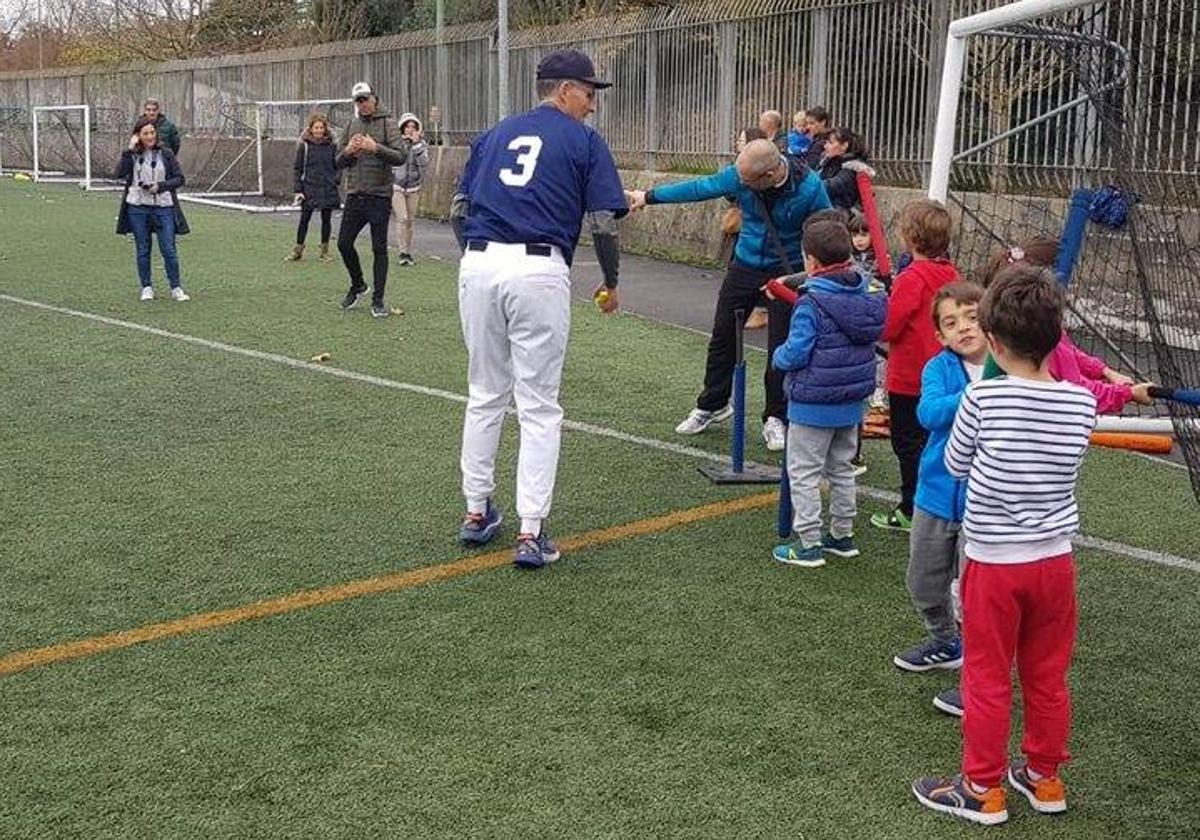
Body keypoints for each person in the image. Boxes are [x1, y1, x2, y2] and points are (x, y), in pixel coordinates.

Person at [912, 265, 1097, 826]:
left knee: (987, 677)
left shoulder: (982, 400)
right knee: (1047, 675)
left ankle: (981, 788)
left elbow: (954, 462)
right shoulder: (1081, 403)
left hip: (994, 563)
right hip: (1055, 562)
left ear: (993, 340)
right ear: (1054, 336)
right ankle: (1044, 778)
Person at [452, 49, 627, 569]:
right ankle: (531, 531)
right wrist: (612, 281)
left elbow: (460, 211)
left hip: (479, 262)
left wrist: (478, 262)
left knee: (484, 393)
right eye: (589, 94)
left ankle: (476, 512)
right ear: (565, 89)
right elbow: (602, 222)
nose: (592, 106)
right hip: (538, 267)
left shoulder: (495, 133)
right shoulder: (583, 140)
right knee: (538, 404)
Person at [626, 139, 832, 452]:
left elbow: (827, 229)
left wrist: (809, 275)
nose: (738, 186)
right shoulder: (741, 174)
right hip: (745, 264)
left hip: (786, 271)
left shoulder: (810, 188)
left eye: (746, 183)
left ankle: (776, 417)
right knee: (722, 335)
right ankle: (713, 404)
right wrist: (648, 197)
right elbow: (701, 187)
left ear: (769, 174)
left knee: (782, 345)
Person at [770, 218, 886, 566]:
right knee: (841, 468)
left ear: (810, 261)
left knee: (803, 472)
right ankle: (842, 534)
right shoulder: (869, 294)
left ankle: (808, 542)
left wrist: (779, 356)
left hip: (812, 402)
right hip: (851, 402)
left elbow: (797, 351)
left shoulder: (811, 303)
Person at [892, 282, 985, 678]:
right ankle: (945, 640)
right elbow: (928, 414)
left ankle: (981, 668)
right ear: (940, 335)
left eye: (972, 317)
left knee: (976, 596)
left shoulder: (1013, 366)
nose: (963, 327)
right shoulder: (939, 368)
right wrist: (977, 394)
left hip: (983, 506)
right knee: (924, 582)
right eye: (951, 322)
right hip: (935, 494)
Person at [977, 237, 1155, 410]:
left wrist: (1105, 372)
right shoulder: (1037, 338)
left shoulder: (1032, 329)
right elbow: (1080, 391)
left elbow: (1071, 354)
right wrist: (1128, 394)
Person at [871, 199, 959, 533]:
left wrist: (879, 304)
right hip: (946, 375)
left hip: (910, 378)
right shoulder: (951, 273)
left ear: (911, 238)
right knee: (936, 443)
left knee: (908, 445)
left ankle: (912, 508)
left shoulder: (912, 278)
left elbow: (889, 327)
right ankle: (937, 503)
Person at [336, 82, 409, 318]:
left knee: (380, 248)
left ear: (374, 98)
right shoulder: (350, 124)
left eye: (365, 98)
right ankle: (358, 285)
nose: (363, 103)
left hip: (379, 195)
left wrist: (374, 147)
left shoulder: (389, 123)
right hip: (355, 194)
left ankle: (378, 300)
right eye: (358, 100)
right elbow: (338, 162)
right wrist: (348, 151)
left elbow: (400, 157)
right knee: (344, 243)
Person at [116, 117, 190, 302]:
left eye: (152, 132)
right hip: (138, 207)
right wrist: (129, 149)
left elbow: (180, 179)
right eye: (145, 133)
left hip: (163, 206)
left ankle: (176, 287)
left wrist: (160, 186)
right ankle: (147, 287)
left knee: (168, 249)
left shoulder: (166, 154)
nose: (149, 136)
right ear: (138, 136)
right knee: (143, 249)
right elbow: (118, 173)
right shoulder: (132, 155)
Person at [287, 113, 340, 263]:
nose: (319, 130)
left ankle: (324, 251)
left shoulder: (332, 146)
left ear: (325, 129)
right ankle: (298, 249)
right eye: (316, 128)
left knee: (326, 219)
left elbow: (338, 166)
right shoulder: (304, 146)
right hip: (309, 187)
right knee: (304, 219)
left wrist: (336, 180)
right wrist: (298, 189)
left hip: (327, 187)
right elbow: (297, 169)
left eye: (321, 127)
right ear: (310, 129)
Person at [392, 112, 430, 266]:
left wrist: (416, 145)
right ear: (402, 128)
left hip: (414, 186)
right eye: (407, 126)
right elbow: (391, 160)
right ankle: (402, 252)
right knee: (402, 218)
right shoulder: (396, 143)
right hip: (397, 186)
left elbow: (424, 164)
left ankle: (408, 251)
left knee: (410, 222)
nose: (410, 129)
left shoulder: (421, 144)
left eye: (413, 127)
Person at [817, 128, 868, 210]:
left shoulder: (852, 167)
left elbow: (832, 186)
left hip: (839, 212)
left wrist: (809, 187)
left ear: (844, 146)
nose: (825, 146)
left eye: (830, 143)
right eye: (826, 142)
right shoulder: (828, 162)